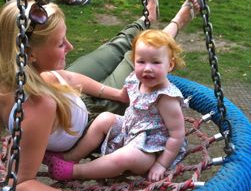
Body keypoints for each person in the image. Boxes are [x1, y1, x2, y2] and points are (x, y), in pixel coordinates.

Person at [0, 0, 199, 191]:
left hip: (68, 89)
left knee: (117, 45)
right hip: (90, 122)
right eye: (60, 43)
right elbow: (21, 186)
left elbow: (66, 76)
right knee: (139, 55)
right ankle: (176, 22)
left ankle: (147, 17)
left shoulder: (13, 73)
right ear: (30, 55)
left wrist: (114, 93)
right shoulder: (37, 106)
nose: (70, 47)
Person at [49, 29, 187, 182]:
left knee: (126, 156)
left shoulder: (166, 98)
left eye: (156, 62)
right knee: (104, 118)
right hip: (129, 130)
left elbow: (177, 135)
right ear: (134, 61)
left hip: (150, 149)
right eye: (141, 62)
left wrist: (161, 164)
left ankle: (76, 171)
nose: (148, 68)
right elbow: (127, 95)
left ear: (170, 65)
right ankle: (71, 157)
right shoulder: (135, 78)